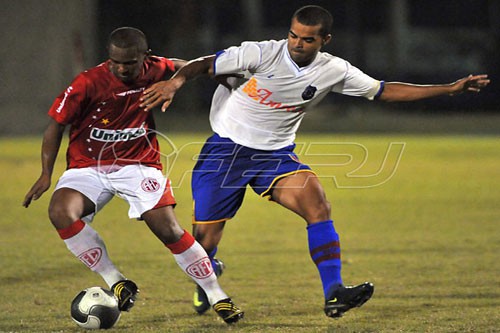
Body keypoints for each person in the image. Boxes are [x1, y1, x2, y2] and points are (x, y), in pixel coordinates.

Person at [139, 5, 490, 319]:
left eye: (307, 39)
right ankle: (205, 281)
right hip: (225, 153)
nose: (297, 43)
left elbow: (383, 90)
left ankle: (334, 292)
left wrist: (449, 88)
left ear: (324, 39)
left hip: (275, 155)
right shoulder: (260, 53)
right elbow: (204, 64)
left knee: (317, 204)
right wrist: (175, 83)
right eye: (293, 35)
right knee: (206, 241)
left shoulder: (333, 70)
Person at [22, 27, 244, 324]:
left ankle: (218, 297)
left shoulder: (156, 68)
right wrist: (46, 174)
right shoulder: (87, 83)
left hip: (138, 165)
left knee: (169, 231)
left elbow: (188, 66)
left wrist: (205, 79)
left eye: (129, 62)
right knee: (61, 212)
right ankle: (116, 280)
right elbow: (55, 125)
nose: (121, 68)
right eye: (115, 61)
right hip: (88, 166)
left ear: (145, 57)